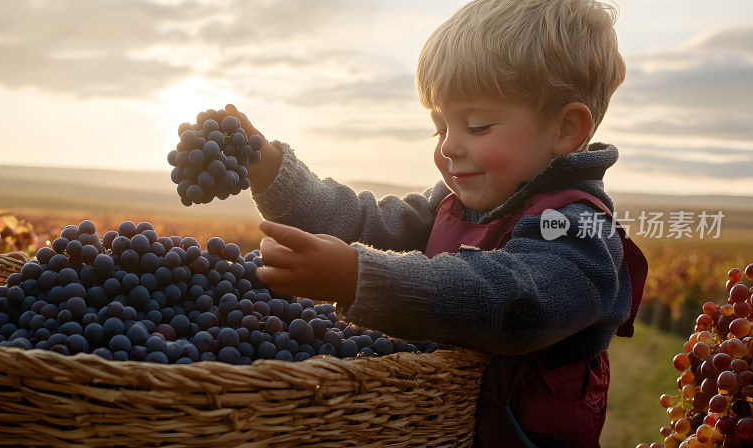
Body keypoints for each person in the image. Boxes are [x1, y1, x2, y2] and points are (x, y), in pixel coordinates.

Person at [226, 0, 647, 446]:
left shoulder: (578, 229)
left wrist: (361, 279)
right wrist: (274, 173)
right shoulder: (450, 203)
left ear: (566, 129)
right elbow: (370, 223)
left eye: (478, 126)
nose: (448, 147)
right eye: (439, 127)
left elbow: (514, 300)